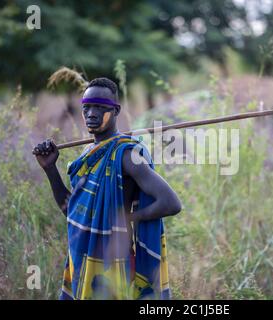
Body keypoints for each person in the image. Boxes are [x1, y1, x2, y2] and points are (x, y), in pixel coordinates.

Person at [32, 77, 182, 300]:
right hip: (82, 258)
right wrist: (50, 169)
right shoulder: (86, 157)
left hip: (115, 265)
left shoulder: (127, 154)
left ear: (116, 111)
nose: (91, 113)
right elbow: (72, 212)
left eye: (100, 107)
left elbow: (171, 203)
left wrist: (128, 217)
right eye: (87, 107)